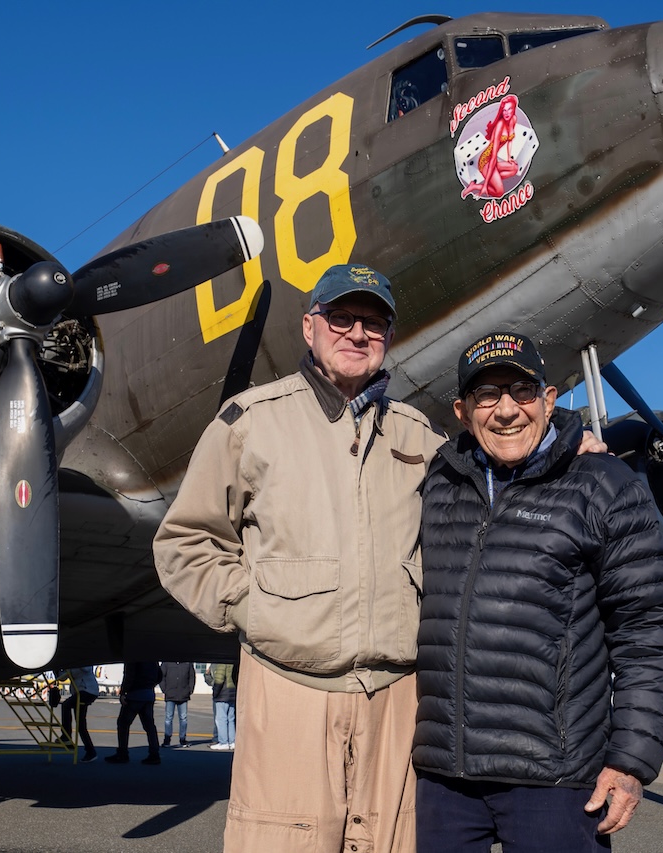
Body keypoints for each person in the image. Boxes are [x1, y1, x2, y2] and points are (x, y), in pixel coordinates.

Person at [154, 264, 448, 853]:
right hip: (289, 683)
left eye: (374, 322)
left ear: (389, 337)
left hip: (396, 695)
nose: (357, 333)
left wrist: (573, 448)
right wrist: (252, 608)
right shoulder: (250, 421)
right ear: (310, 327)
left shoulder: (420, 435)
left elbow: (492, 501)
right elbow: (184, 541)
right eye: (341, 317)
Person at [413, 330, 663, 852]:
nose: (507, 410)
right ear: (463, 410)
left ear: (550, 399)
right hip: (446, 779)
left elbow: (646, 629)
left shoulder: (603, 483)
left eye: (522, 391)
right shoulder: (438, 484)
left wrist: (630, 761)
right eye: (487, 395)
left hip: (555, 782)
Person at [105, 660, 162, 766]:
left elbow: (129, 675)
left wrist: (123, 692)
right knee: (149, 726)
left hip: (135, 694)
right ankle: (154, 754)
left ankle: (123, 753)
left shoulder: (133, 656)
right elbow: (160, 675)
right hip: (148, 693)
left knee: (123, 723)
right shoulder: (153, 658)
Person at [59, 665, 99, 763]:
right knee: (80, 725)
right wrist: (58, 669)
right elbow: (63, 677)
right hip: (79, 692)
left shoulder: (81, 659)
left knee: (66, 705)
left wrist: (75, 661)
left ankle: (66, 735)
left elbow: (87, 668)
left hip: (88, 690)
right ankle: (91, 751)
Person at [160, 661, 196, 747]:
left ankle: (182, 739)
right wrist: (164, 690)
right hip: (170, 695)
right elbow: (161, 677)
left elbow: (192, 677)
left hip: (183, 695)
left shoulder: (188, 663)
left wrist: (190, 690)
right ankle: (167, 739)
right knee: (168, 718)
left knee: (183, 718)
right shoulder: (166, 663)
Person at [205, 662, 238, 751]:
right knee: (231, 719)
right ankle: (232, 742)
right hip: (232, 693)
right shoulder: (233, 663)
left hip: (223, 694)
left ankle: (223, 742)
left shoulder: (222, 663)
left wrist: (215, 693)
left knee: (221, 719)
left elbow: (219, 679)